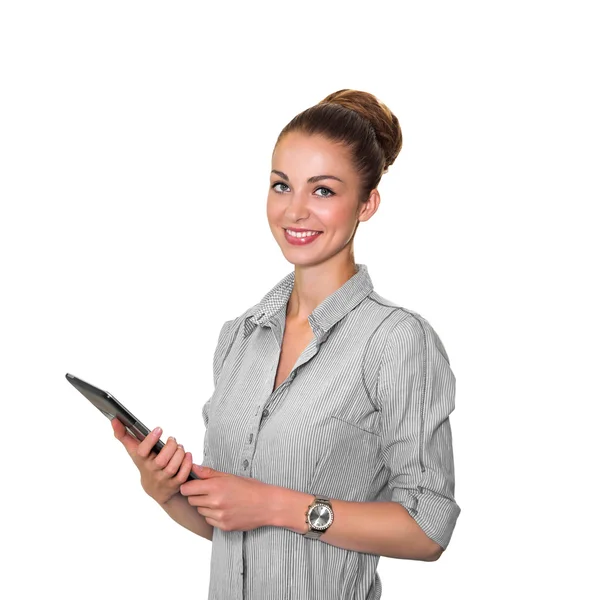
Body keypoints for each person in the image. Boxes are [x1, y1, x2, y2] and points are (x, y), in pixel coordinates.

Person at [112, 89, 461, 599]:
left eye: (322, 191)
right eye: (282, 186)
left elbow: (430, 528)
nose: (295, 211)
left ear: (367, 203)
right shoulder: (239, 337)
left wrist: (277, 505)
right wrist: (167, 492)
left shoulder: (396, 341)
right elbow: (235, 530)